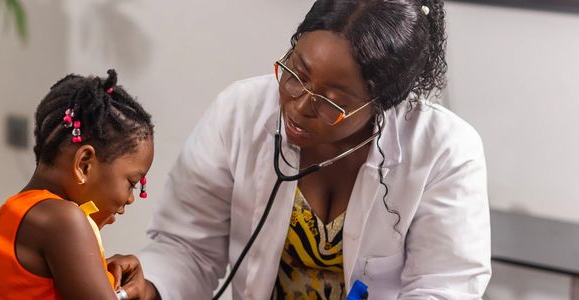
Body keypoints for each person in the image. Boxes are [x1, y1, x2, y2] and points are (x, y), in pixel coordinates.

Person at [112, 0, 491, 299]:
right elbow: (188, 247)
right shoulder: (239, 113)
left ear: (383, 102)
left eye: (333, 101)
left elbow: (444, 287)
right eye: (297, 73)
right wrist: (151, 287)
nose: (299, 106)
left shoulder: (446, 153)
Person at [0, 70, 154, 299]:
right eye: (133, 183)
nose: (130, 198)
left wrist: (103, 275)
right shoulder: (64, 220)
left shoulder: (16, 209)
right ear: (84, 165)